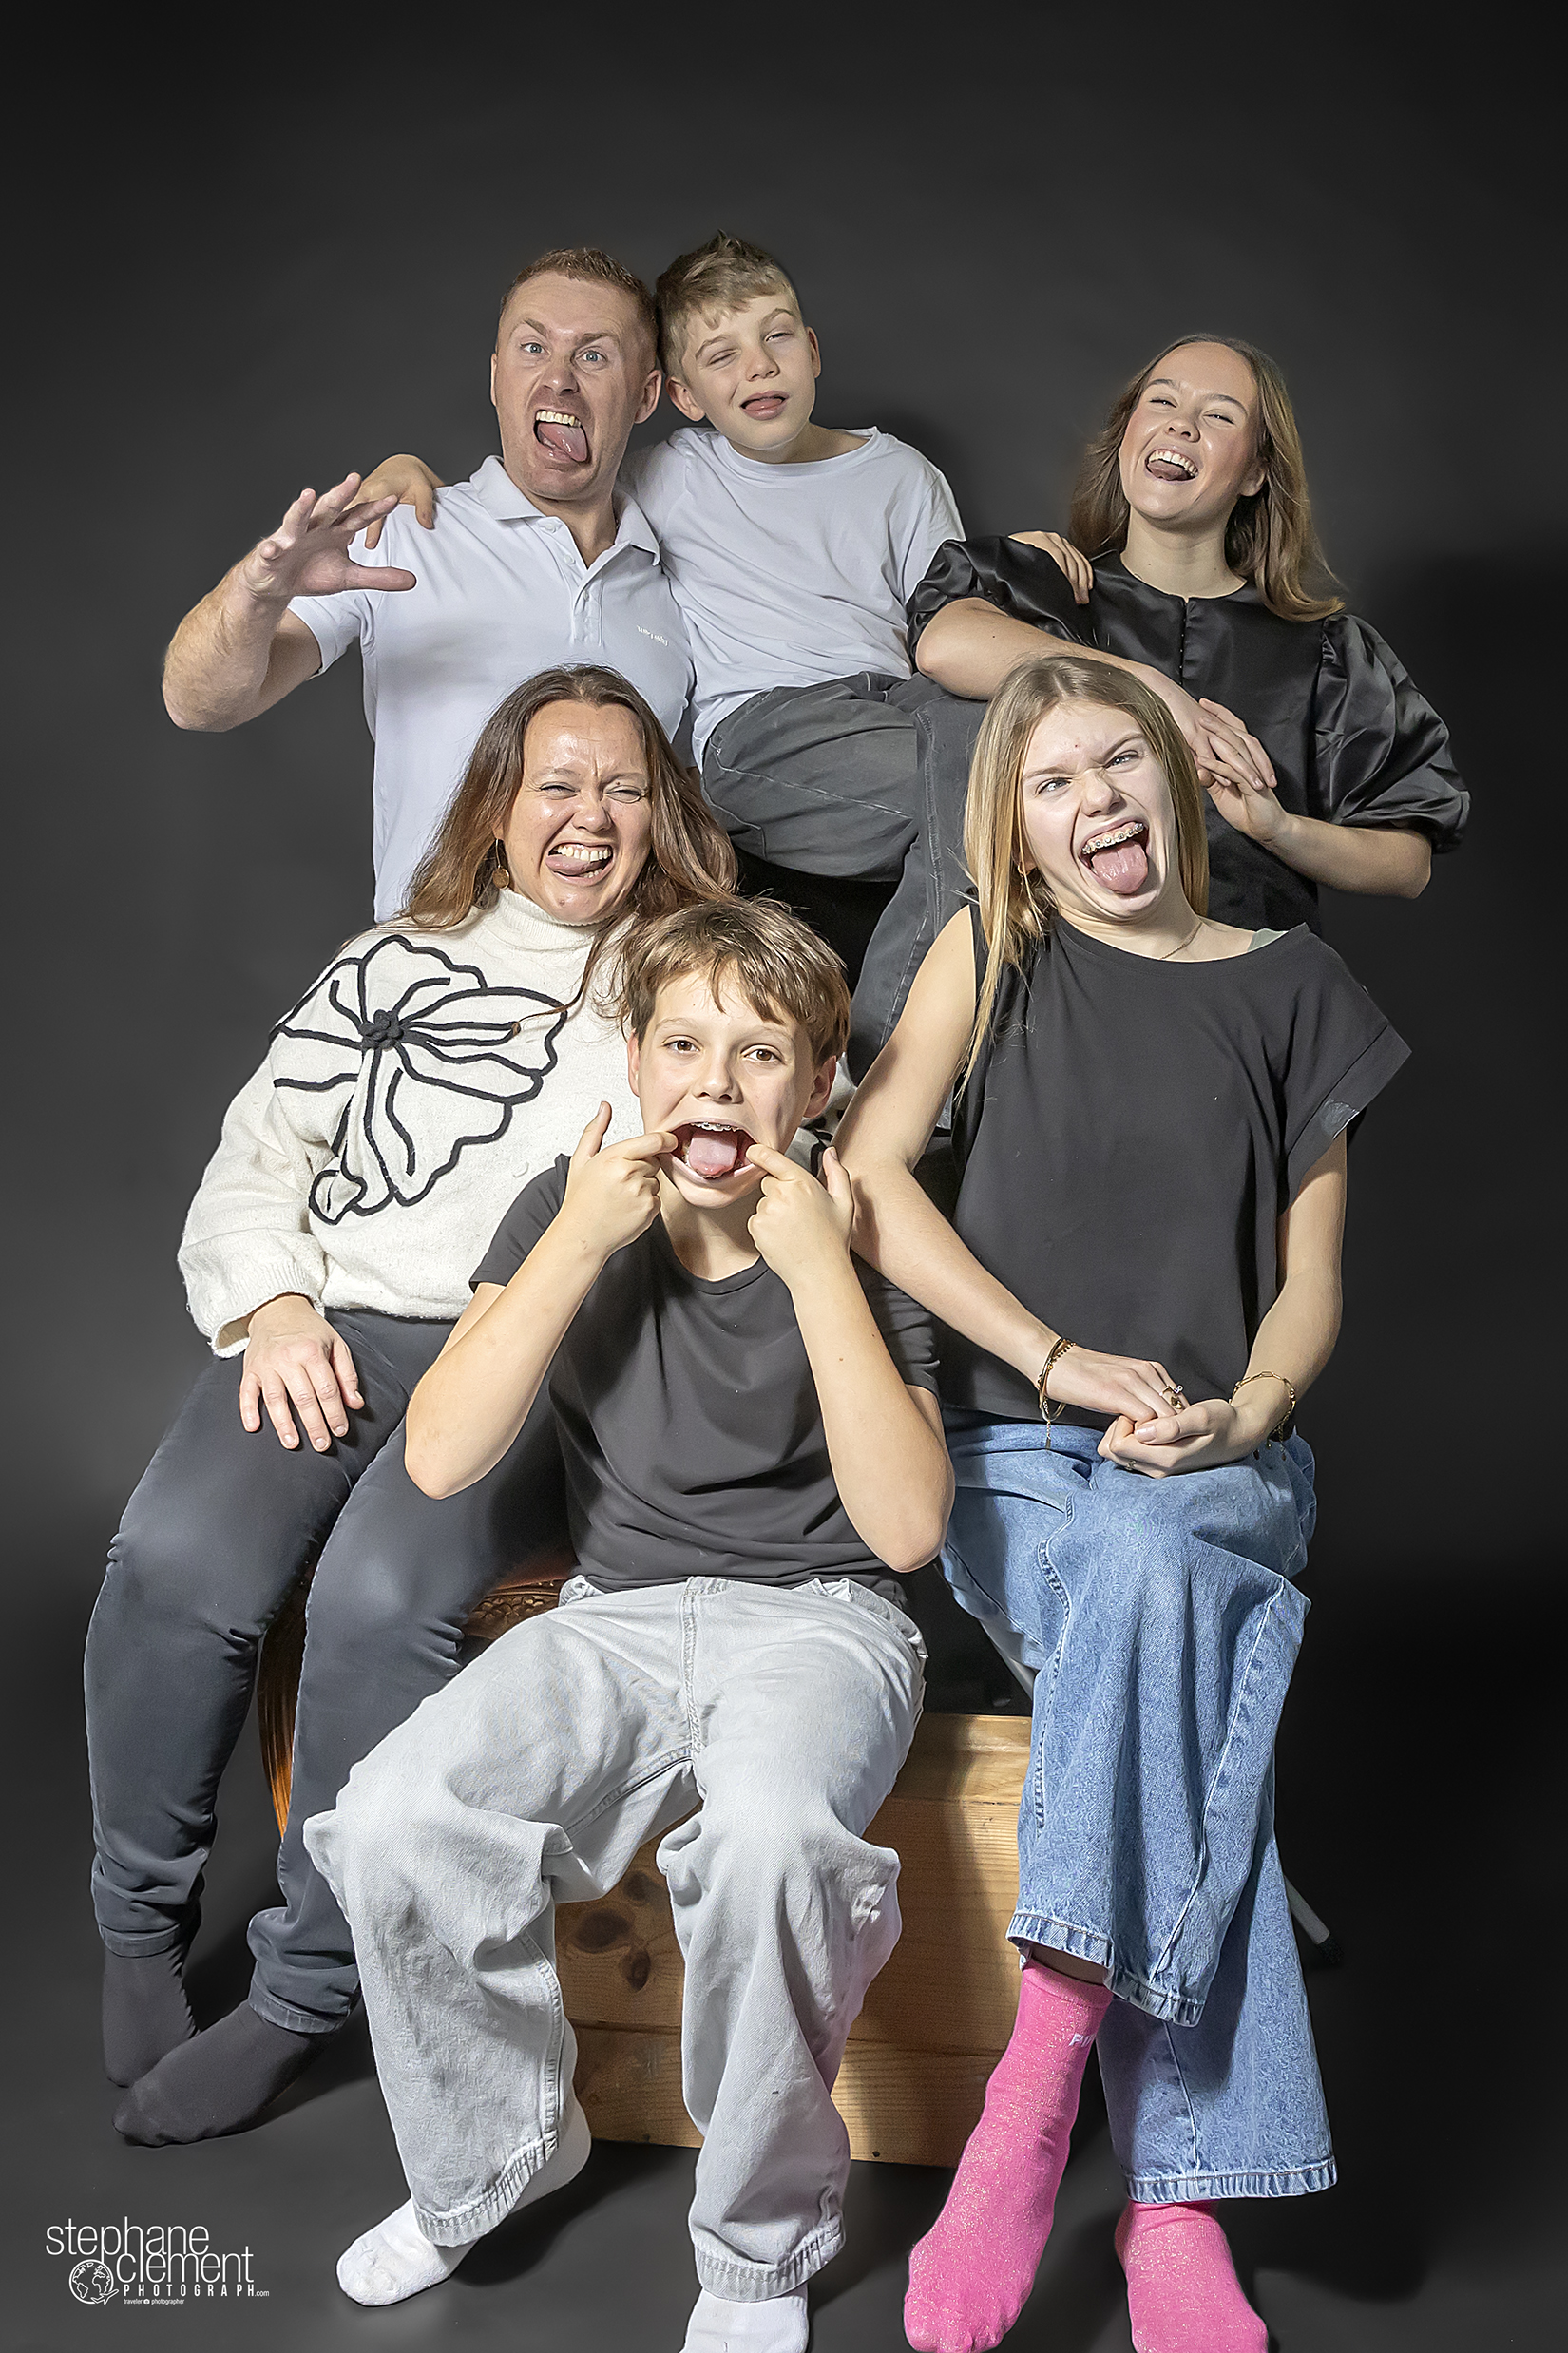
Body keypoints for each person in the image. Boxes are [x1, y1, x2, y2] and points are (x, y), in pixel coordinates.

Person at [835, 656, 1409, 2352]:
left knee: (1162, 1572)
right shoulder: (994, 953)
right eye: (1052, 783)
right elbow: (867, 1175)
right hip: (1016, 1455)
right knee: (1170, 1645)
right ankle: (1175, 2204)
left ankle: (1036, 2085)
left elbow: (1309, 1286)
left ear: (1174, 772)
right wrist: (1051, 1356)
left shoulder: (1296, 983)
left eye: (1117, 764)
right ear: (1017, 827)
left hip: (1221, 1463)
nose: (1094, 803)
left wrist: (1251, 1414)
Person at [86, 666, 736, 2148]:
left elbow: (749, 1148)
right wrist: (275, 1306)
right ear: (498, 807)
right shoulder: (393, 961)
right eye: (554, 783)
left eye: (622, 787)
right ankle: (137, 1918)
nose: (587, 817)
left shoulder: (690, 977)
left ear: (663, 813)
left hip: (539, 1348)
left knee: (382, 1600)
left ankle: (306, 1988)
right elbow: (259, 1155)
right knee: (178, 1561)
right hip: (340, 1326)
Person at [304, 898, 952, 2353]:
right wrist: (573, 1245)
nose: (715, 1082)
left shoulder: (854, 1224)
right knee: (396, 1817)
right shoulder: (566, 1203)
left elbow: (908, 1528)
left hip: (824, 1620)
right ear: (637, 1059)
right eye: (683, 1045)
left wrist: (818, 1268)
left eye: (760, 1052)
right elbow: (439, 1456)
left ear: (816, 1081)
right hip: (616, 1619)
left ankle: (757, 2257)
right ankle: (501, 2151)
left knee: (773, 1845)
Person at [355, 232, 965, 1076]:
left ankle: (892, 1074)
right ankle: (895, 1073)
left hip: (877, 732)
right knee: (988, 793)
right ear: (679, 395)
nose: (758, 367)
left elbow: (946, 621)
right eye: (722, 355)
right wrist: (401, 470)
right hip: (463, 944)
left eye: (777, 337)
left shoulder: (875, 481)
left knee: (1005, 774)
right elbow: (559, 459)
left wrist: (1012, 571)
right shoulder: (657, 479)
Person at [161, 248, 692, 918]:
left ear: (646, 394)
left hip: (626, 977)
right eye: (532, 348)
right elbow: (197, 703)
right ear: (496, 377)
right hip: (435, 972)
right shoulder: (398, 530)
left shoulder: (679, 584)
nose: (558, 379)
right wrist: (257, 594)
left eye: (593, 356)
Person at [908, 334, 1467, 933]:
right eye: (1162, 401)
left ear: (1256, 471)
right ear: (1127, 435)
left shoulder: (1328, 651)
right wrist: (1143, 686)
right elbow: (942, 644)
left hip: (1248, 968)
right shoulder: (1041, 589)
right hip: (1063, 963)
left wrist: (1280, 829)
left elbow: (1406, 864)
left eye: (1219, 415)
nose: (1181, 425)